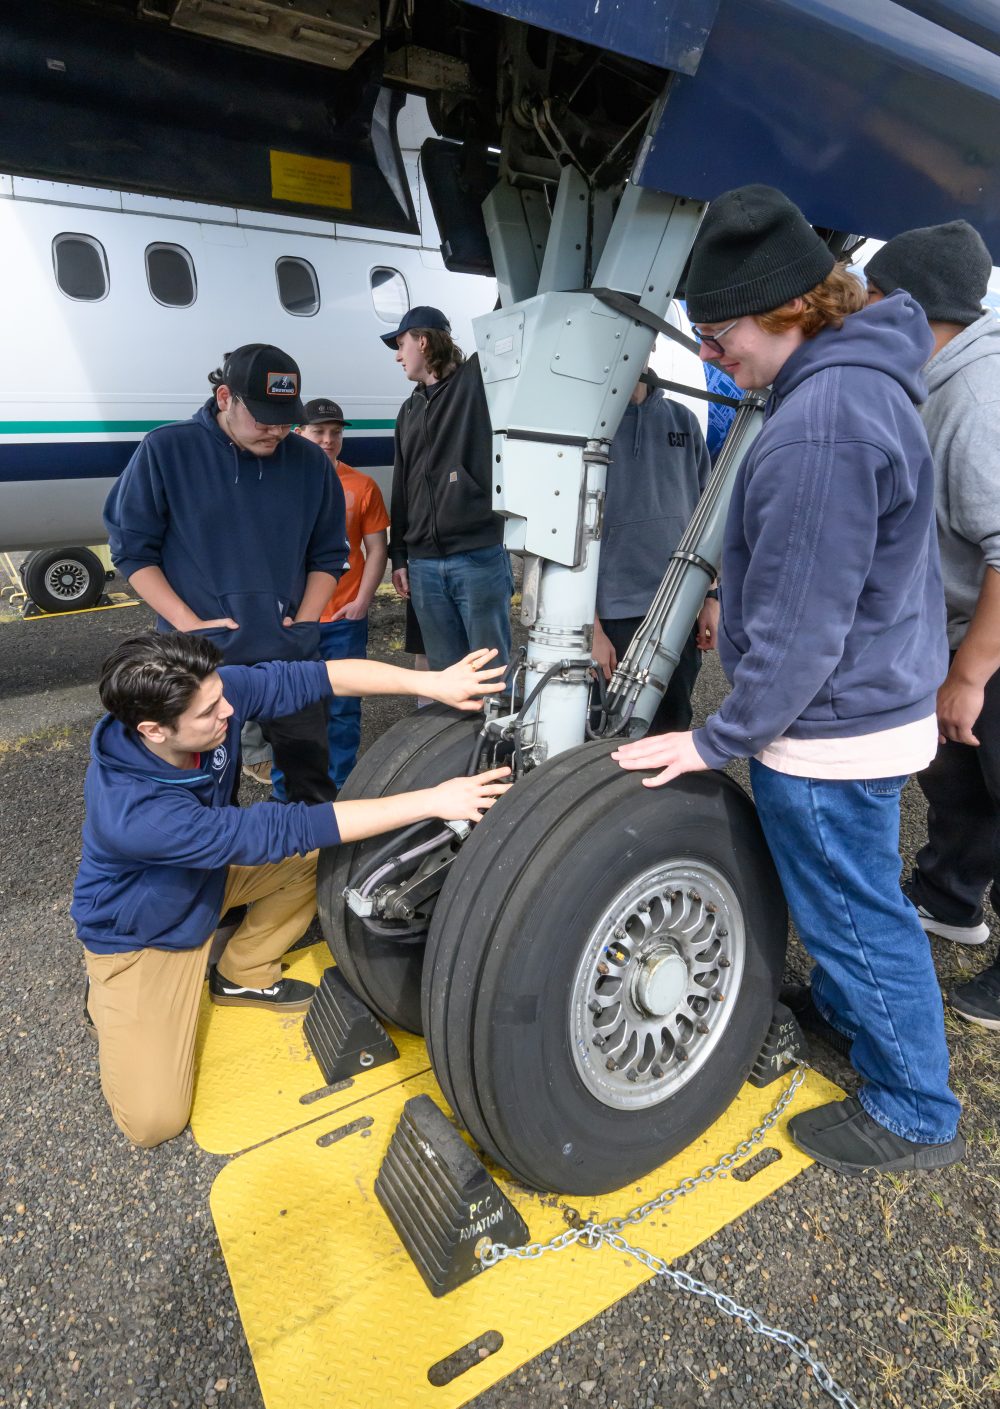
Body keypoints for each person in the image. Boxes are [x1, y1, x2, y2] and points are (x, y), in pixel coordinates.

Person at [613, 184, 964, 1176]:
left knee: (855, 914)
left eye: (717, 331)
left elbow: (807, 625)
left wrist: (715, 736)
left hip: (829, 723)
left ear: (787, 310)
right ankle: (855, 1015)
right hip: (862, 703)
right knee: (844, 903)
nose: (708, 353)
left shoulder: (823, 421)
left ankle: (914, 1107)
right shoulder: (847, 385)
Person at [72, 631, 510, 1148]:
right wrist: (436, 799)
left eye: (222, 696)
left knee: (322, 860)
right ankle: (112, 996)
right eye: (210, 712)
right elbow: (285, 829)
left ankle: (242, 971)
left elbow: (317, 677)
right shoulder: (138, 814)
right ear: (154, 730)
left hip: (209, 875)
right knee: (154, 1123)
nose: (229, 711)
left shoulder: (206, 696)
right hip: (144, 936)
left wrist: (430, 682)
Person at [104, 343, 349, 805]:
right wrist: (188, 624)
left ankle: (315, 870)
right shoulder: (167, 450)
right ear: (224, 398)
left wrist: (307, 622)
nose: (276, 431)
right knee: (208, 791)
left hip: (290, 655)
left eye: (285, 419)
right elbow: (133, 553)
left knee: (311, 782)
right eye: (262, 417)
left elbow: (328, 555)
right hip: (202, 658)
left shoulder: (311, 462)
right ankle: (217, 875)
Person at [866, 221, 1000, 1029]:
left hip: (988, 633)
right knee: (957, 776)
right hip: (954, 621)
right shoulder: (935, 377)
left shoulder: (979, 396)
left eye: (875, 299)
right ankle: (952, 898)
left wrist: (970, 674)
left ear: (910, 306)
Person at [258, 396, 389, 794]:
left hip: (343, 619)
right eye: (319, 432)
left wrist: (363, 601)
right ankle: (288, 794)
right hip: (293, 621)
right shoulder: (275, 480)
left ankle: (341, 790)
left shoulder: (362, 486)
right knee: (289, 708)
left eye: (335, 433)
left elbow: (376, 549)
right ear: (300, 432)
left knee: (344, 709)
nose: (328, 440)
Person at [384, 305, 513, 671]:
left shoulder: (475, 382)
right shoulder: (408, 410)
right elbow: (401, 487)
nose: (397, 355)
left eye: (401, 344)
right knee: (445, 677)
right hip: (423, 565)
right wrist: (399, 556)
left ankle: (493, 727)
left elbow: (505, 322)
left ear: (422, 341)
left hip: (477, 557)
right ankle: (457, 731)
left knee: (490, 673)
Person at [591, 367, 717, 731]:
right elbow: (567, 535)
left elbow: (705, 517)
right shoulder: (590, 423)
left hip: (678, 608)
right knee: (610, 730)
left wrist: (711, 597)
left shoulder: (683, 420)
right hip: (613, 613)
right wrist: (591, 628)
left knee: (672, 724)